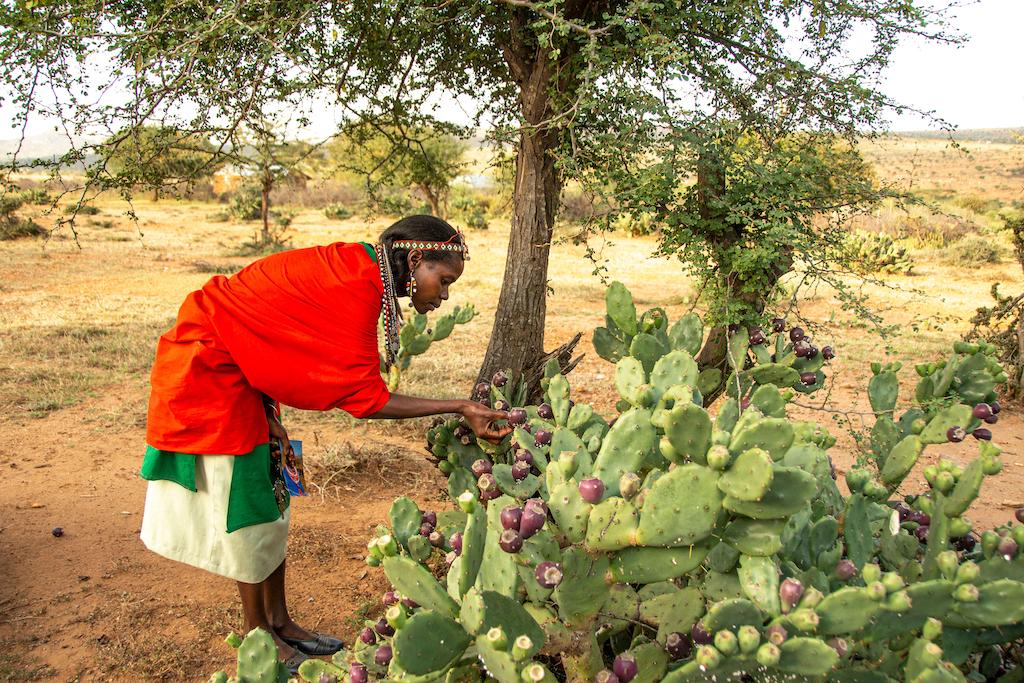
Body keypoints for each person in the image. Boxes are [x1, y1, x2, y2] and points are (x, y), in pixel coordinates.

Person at [139, 215, 510, 672]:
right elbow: (366, 399)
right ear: (415, 260)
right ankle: (260, 636)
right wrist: (460, 405)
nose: (445, 294)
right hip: (210, 379)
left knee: (276, 499)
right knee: (251, 509)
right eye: (444, 280)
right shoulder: (356, 286)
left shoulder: (359, 268)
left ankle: (280, 619)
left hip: (244, 380)